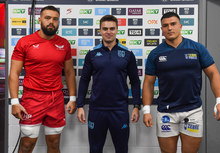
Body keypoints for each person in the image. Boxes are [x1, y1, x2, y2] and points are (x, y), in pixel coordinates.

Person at [142, 12, 220, 153]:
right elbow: (149, 83)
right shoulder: (155, 54)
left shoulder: (197, 48)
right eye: (165, 25)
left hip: (192, 111)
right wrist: (146, 110)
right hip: (166, 113)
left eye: (173, 24)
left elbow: (213, 74)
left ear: (180, 26)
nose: (169, 28)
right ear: (161, 29)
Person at [9, 6, 76, 153]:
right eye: (47, 18)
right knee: (27, 144)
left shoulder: (64, 44)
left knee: (54, 143)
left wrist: (72, 98)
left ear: (58, 22)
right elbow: (14, 73)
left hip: (55, 98)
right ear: (40, 20)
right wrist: (14, 102)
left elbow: (70, 72)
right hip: (32, 98)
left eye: (55, 19)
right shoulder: (25, 42)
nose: (51, 22)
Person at [77, 15, 141, 153]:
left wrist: (136, 106)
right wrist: (80, 105)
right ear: (100, 30)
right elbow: (84, 80)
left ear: (117, 30)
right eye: (105, 28)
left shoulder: (127, 54)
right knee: (95, 149)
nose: (108, 31)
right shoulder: (92, 54)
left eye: (112, 28)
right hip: (97, 110)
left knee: (122, 149)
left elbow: (135, 81)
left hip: (120, 110)